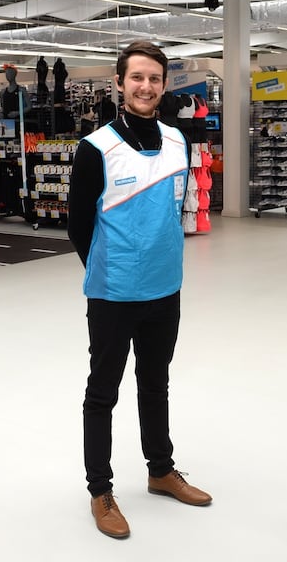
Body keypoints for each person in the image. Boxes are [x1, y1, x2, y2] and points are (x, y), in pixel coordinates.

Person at [68, 40, 210, 540]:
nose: (146, 87)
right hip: (112, 292)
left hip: (164, 289)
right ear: (119, 84)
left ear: (164, 84)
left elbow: (171, 212)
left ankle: (160, 470)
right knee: (102, 393)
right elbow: (78, 225)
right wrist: (111, 269)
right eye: (136, 78)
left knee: (156, 384)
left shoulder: (177, 140)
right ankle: (100, 490)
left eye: (154, 78)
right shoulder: (95, 148)